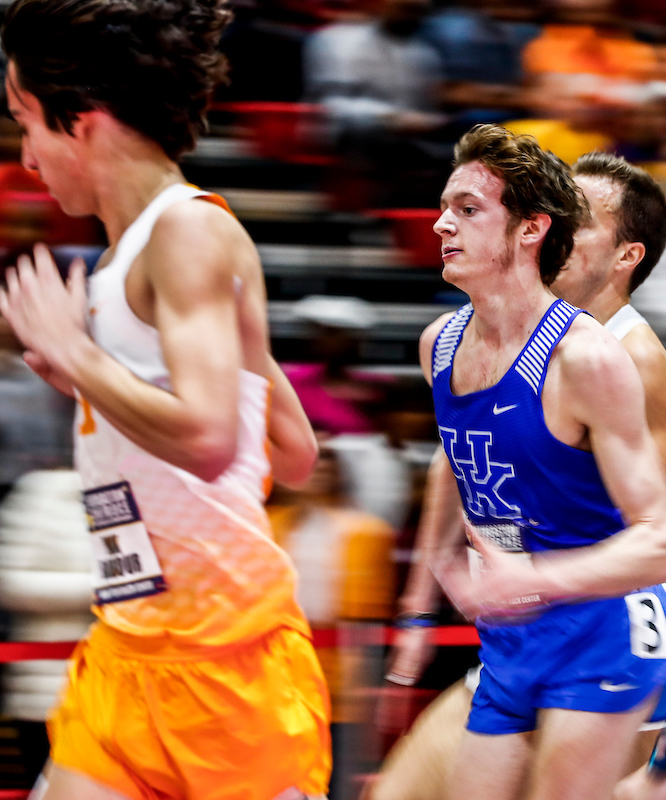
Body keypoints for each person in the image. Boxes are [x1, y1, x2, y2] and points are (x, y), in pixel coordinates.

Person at [0, 1, 330, 798]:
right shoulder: (126, 258)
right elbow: (291, 451)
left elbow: (214, 439)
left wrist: (82, 361)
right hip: (128, 651)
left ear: (83, 119)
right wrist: (97, 381)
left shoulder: (188, 233)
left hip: (229, 668)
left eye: (27, 122)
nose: (27, 155)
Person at [396, 125, 666, 800]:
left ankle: (665, 785)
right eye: (445, 205)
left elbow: (659, 540)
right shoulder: (439, 347)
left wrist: (532, 577)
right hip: (509, 634)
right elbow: (455, 468)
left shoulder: (593, 357)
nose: (441, 223)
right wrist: (417, 610)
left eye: (468, 209)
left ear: (531, 230)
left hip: (599, 628)